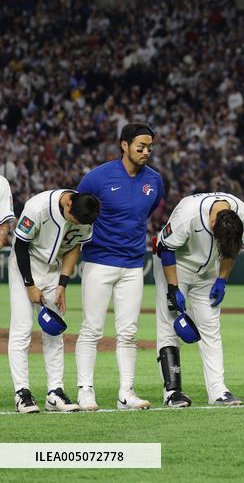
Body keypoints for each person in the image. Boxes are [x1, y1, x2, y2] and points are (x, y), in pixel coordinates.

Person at [76, 122, 165, 411]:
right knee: (92, 329)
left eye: (150, 146)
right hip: (99, 261)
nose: (146, 151)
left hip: (132, 265)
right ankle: (85, 390)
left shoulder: (155, 180)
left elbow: (145, 213)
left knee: (128, 332)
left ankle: (126, 392)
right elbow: (78, 210)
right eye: (140, 146)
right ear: (124, 145)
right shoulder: (97, 178)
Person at [154, 192, 244, 406]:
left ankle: (218, 391)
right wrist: (172, 288)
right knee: (170, 326)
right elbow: (166, 248)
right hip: (176, 265)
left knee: (211, 327)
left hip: (209, 272)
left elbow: (231, 249)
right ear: (212, 221)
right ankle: (172, 392)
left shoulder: (240, 212)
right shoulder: (189, 213)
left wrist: (222, 279)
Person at [9, 189, 100, 413]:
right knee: (21, 330)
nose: (76, 223)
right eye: (74, 219)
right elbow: (20, 245)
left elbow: (74, 248)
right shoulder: (37, 207)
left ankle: (55, 392)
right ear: (68, 204)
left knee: (54, 331)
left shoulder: (85, 213)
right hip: (26, 263)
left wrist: (62, 284)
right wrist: (30, 285)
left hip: (54, 269)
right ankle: (22, 393)